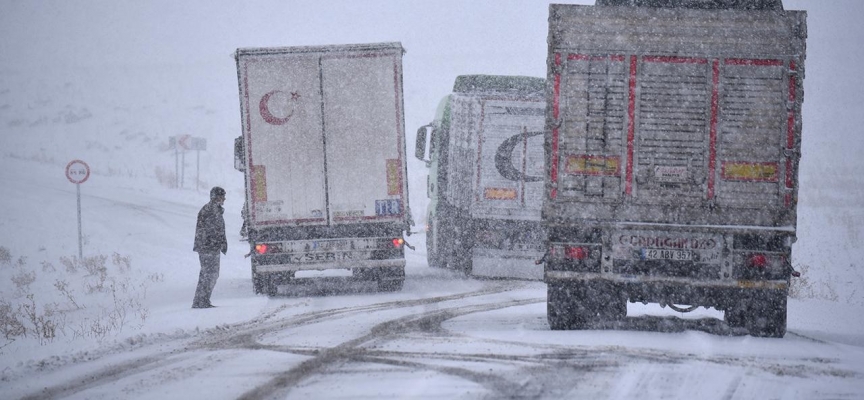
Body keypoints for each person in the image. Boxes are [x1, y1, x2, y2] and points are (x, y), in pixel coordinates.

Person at [192, 186, 227, 308]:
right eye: (222, 196)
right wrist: (216, 243)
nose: (224, 199)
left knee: (209, 274)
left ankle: (202, 300)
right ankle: (201, 301)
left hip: (209, 247)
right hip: (208, 248)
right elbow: (212, 230)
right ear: (216, 197)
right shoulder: (211, 210)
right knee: (209, 274)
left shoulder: (213, 209)